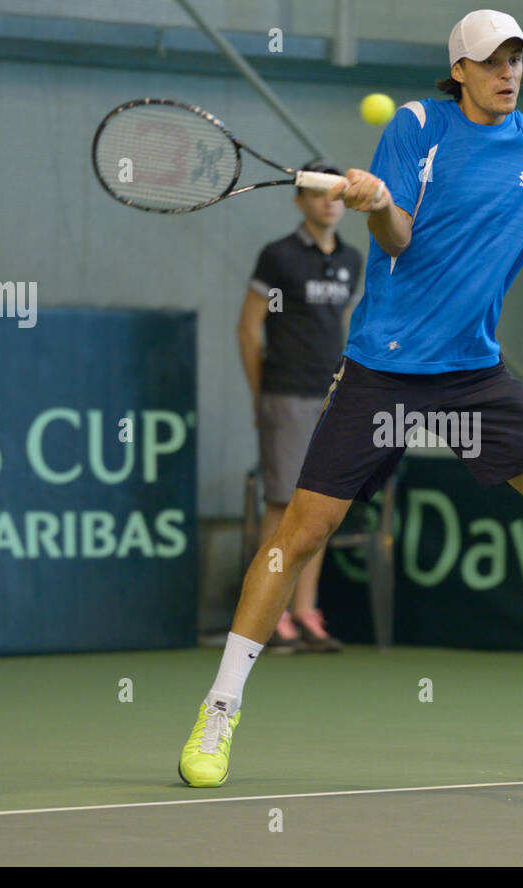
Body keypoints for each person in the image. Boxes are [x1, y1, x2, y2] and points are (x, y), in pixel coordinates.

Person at [179, 8, 523, 787]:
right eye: (491, 61)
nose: (507, 72)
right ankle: (219, 711)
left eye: (516, 59)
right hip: (385, 370)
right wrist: (378, 205)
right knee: (302, 531)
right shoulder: (414, 128)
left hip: (472, 375)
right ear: (460, 71)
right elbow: (401, 240)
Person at [237, 160, 363, 654]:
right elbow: (249, 329)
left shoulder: (352, 259)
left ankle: (305, 613)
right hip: (285, 395)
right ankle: (269, 616)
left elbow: (345, 327)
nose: (328, 201)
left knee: (319, 509)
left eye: (336, 193)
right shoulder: (278, 258)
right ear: (300, 202)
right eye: (316, 193)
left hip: (332, 398)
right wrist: (259, 396)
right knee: (281, 506)